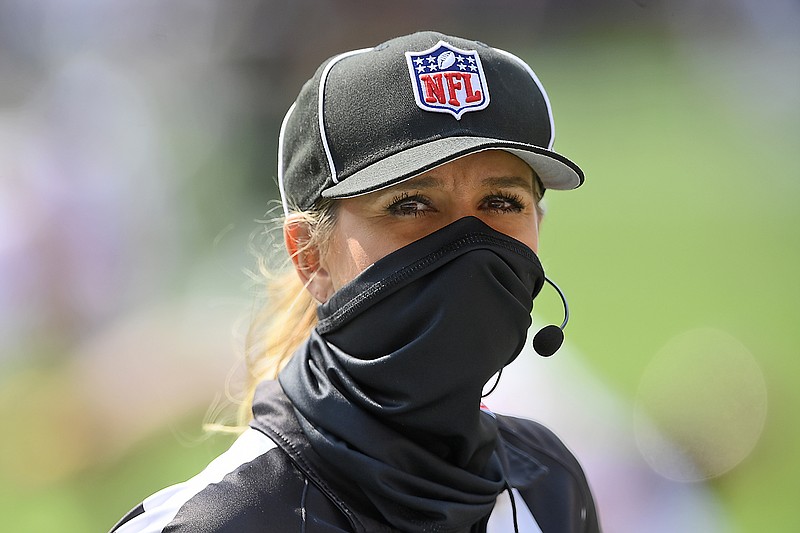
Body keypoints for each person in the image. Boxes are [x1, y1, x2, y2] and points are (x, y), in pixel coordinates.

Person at [110, 31, 601, 533]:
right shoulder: (215, 525)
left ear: (538, 225)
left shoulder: (550, 484)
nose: (467, 244)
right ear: (310, 256)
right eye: (410, 205)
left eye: (501, 202)